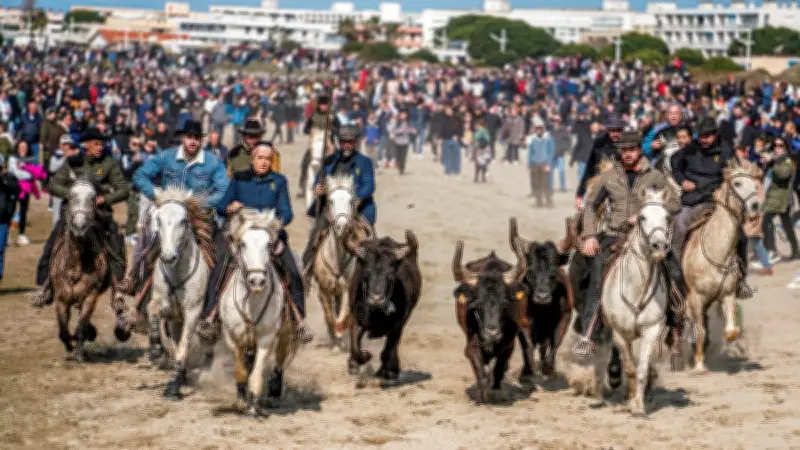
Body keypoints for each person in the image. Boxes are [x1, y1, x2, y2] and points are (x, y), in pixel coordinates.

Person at [197, 143, 314, 344]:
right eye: (260, 158)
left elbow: (287, 213)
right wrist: (230, 207)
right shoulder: (239, 178)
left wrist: (274, 224)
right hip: (240, 237)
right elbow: (221, 207)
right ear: (252, 159)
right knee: (218, 269)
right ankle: (210, 317)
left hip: (270, 237)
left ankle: (298, 321)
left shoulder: (279, 181)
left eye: (268, 159)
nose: (264, 162)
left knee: (293, 271)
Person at [578, 130, 680, 356]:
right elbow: (590, 206)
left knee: (674, 272)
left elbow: (674, 203)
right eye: (624, 150)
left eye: (632, 150)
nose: (627, 154)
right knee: (596, 278)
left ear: (639, 150)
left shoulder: (655, 177)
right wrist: (590, 235)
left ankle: (675, 328)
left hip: (646, 237)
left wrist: (648, 211)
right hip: (614, 235)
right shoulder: (609, 177)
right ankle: (589, 335)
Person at [123, 120, 229, 299]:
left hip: (200, 219)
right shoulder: (166, 157)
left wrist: (200, 203)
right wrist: (157, 195)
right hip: (168, 217)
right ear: (183, 138)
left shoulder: (213, 162)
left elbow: (223, 189)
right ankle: (134, 280)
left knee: (216, 254)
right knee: (147, 240)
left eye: (197, 138)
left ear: (201, 140)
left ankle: (214, 297)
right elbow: (140, 175)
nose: (193, 141)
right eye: (189, 137)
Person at [31, 127, 130, 308]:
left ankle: (118, 293)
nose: (100, 147)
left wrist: (105, 198)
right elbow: (53, 185)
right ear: (86, 144)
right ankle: (44, 288)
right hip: (73, 214)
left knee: (116, 245)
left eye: (102, 144)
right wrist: (73, 194)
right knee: (52, 244)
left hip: (99, 216)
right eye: (96, 144)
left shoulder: (108, 163)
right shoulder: (73, 162)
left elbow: (124, 190)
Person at [669, 116, 753, 301]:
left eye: (707, 136)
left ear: (715, 134)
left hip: (717, 201)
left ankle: (740, 279)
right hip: (692, 199)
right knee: (678, 225)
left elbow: (736, 174)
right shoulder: (690, 149)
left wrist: (723, 188)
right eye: (701, 136)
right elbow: (675, 164)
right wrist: (682, 180)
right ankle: (676, 272)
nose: (704, 139)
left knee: (741, 237)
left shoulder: (726, 150)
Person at [302, 125, 376, 272]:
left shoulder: (365, 162)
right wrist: (318, 187)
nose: (346, 145)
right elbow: (318, 180)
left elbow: (369, 186)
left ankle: (371, 273)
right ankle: (308, 270)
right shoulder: (328, 161)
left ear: (355, 142)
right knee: (314, 238)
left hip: (358, 210)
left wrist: (353, 198)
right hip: (331, 209)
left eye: (350, 141)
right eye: (343, 141)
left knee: (371, 244)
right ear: (338, 142)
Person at [574, 114, 624, 211]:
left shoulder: (628, 145)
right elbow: (589, 170)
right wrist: (579, 195)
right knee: (587, 211)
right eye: (612, 130)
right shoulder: (599, 144)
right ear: (608, 130)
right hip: (599, 186)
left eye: (618, 130)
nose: (615, 133)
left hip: (622, 187)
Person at [298, 94, 340, 198]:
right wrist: (311, 130)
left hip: (329, 144)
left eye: (325, 105)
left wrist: (332, 131)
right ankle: (302, 186)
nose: (324, 106)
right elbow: (305, 130)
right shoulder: (313, 116)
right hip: (315, 142)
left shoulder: (333, 116)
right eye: (322, 104)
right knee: (305, 162)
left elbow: (339, 129)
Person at [48, 135, 80, 226]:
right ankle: (56, 232)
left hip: (71, 187)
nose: (67, 146)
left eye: (69, 144)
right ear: (60, 145)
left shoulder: (75, 156)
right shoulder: (56, 156)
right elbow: (52, 168)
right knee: (57, 213)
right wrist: (65, 157)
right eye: (65, 144)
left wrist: (76, 157)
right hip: (59, 188)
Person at [527, 116, 555, 207]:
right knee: (536, 184)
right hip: (535, 164)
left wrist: (548, 164)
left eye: (540, 128)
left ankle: (549, 201)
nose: (539, 130)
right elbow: (530, 153)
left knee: (546, 184)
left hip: (544, 164)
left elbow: (551, 152)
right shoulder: (533, 139)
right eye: (537, 128)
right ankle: (538, 202)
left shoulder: (548, 138)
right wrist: (529, 166)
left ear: (543, 128)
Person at [0, 155, 19, 282]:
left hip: (3, 219)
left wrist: (4, 181)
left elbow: (16, 189)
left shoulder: (9, 178)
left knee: (0, 248)